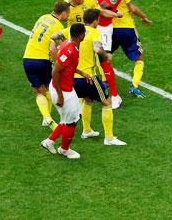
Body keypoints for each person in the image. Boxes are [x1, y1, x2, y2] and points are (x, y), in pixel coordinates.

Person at [50, 9, 126, 146]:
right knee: (107, 103)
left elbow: (54, 35)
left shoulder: (72, 30)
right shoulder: (95, 33)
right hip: (88, 77)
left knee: (88, 100)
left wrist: (61, 45)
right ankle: (109, 138)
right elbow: (98, 50)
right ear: (96, 20)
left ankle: (86, 130)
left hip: (72, 78)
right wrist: (105, 56)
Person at [102, 0, 151, 99]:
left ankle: (104, 83)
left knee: (105, 56)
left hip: (109, 29)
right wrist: (144, 17)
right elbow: (132, 8)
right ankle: (134, 86)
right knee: (139, 58)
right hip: (126, 28)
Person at [40, 23, 89, 159]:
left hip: (66, 87)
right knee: (71, 121)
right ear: (80, 35)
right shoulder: (70, 50)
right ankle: (64, 149)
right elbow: (55, 71)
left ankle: (49, 142)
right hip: (62, 89)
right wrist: (60, 96)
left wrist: (81, 72)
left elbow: (68, 66)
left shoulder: (71, 45)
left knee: (71, 117)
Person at [23, 1, 71, 129]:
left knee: (39, 91)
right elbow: (53, 49)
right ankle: (55, 117)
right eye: (68, 14)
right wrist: (57, 64)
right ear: (64, 13)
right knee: (50, 89)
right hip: (42, 60)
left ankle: (47, 118)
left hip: (27, 59)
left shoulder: (43, 17)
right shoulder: (58, 27)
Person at [87, 0, 125, 109]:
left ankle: (115, 96)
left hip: (103, 29)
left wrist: (113, 13)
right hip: (88, 25)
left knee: (104, 60)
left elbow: (100, 9)